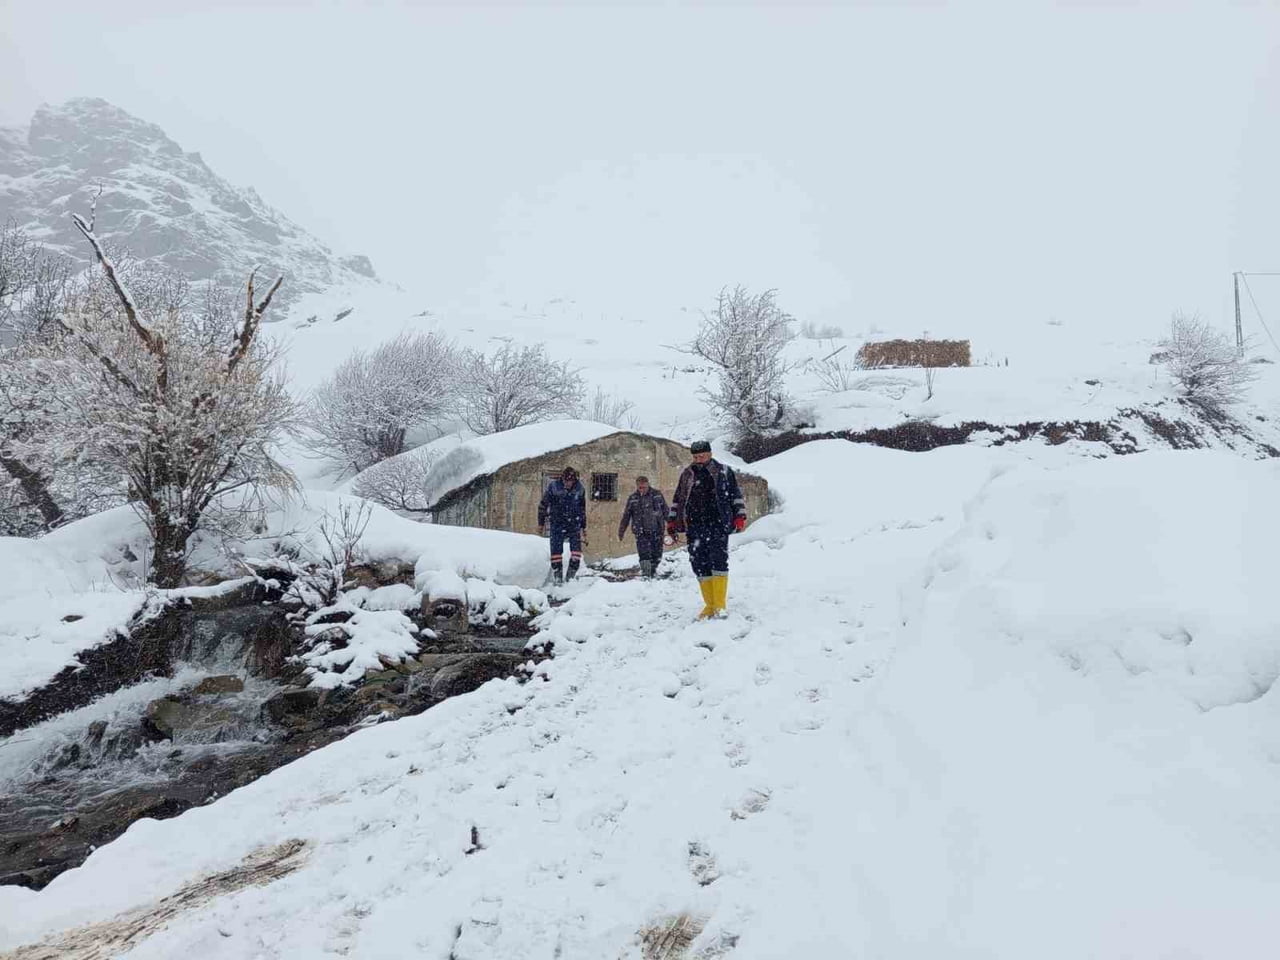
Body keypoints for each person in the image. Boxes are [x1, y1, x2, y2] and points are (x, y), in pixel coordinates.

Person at [667, 440, 747, 618]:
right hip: (694, 525)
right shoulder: (687, 474)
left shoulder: (724, 471)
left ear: (710, 454)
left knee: (718, 561)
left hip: (717, 524)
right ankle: (709, 605)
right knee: (698, 563)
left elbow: (735, 495)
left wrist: (740, 516)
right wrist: (672, 521)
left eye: (702, 456)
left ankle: (720, 605)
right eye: (695, 456)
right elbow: (678, 499)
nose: (698, 459)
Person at [538, 466, 587, 584]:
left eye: (570, 481)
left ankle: (570, 579)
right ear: (562, 479)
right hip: (557, 523)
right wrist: (541, 523)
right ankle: (558, 578)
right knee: (556, 553)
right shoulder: (554, 487)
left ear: (574, 480)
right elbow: (543, 505)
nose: (568, 484)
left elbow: (582, 509)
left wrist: (583, 527)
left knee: (576, 553)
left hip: (574, 524)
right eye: (566, 481)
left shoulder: (580, 489)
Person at [617, 475, 668, 579]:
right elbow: (626, 515)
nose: (642, 490)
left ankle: (653, 571)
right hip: (640, 531)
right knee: (644, 554)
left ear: (648, 485)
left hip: (657, 529)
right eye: (640, 487)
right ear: (637, 486)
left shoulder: (657, 495)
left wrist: (673, 526)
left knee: (657, 554)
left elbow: (666, 511)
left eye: (644, 487)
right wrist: (621, 530)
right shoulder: (633, 498)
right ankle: (646, 574)